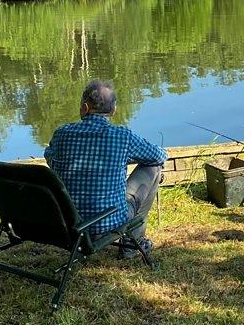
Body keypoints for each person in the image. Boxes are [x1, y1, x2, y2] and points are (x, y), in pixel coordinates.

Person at [44, 80, 167, 259]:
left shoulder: (61, 133)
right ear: (113, 110)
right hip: (107, 224)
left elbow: (49, 156)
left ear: (84, 108)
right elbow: (158, 156)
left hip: (68, 222)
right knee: (154, 167)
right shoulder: (122, 136)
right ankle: (132, 244)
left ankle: (131, 242)